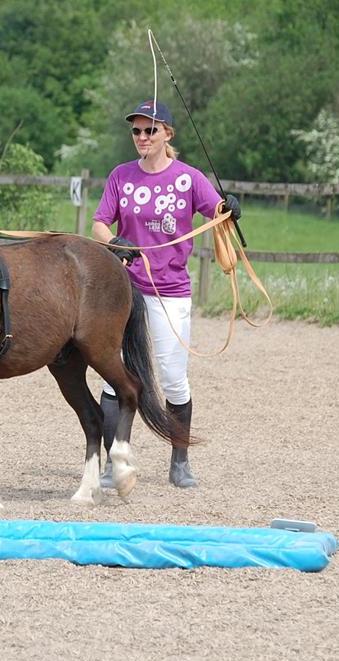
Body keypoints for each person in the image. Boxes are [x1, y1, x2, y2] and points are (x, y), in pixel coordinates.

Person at [92, 99, 240, 489]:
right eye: (137, 131)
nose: (142, 137)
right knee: (114, 377)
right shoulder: (120, 176)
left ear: (167, 134)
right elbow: (99, 224)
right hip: (123, 293)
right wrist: (116, 242)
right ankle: (114, 463)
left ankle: (180, 460)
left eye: (150, 130)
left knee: (173, 378)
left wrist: (230, 208)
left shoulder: (188, 179)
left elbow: (217, 212)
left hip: (171, 291)